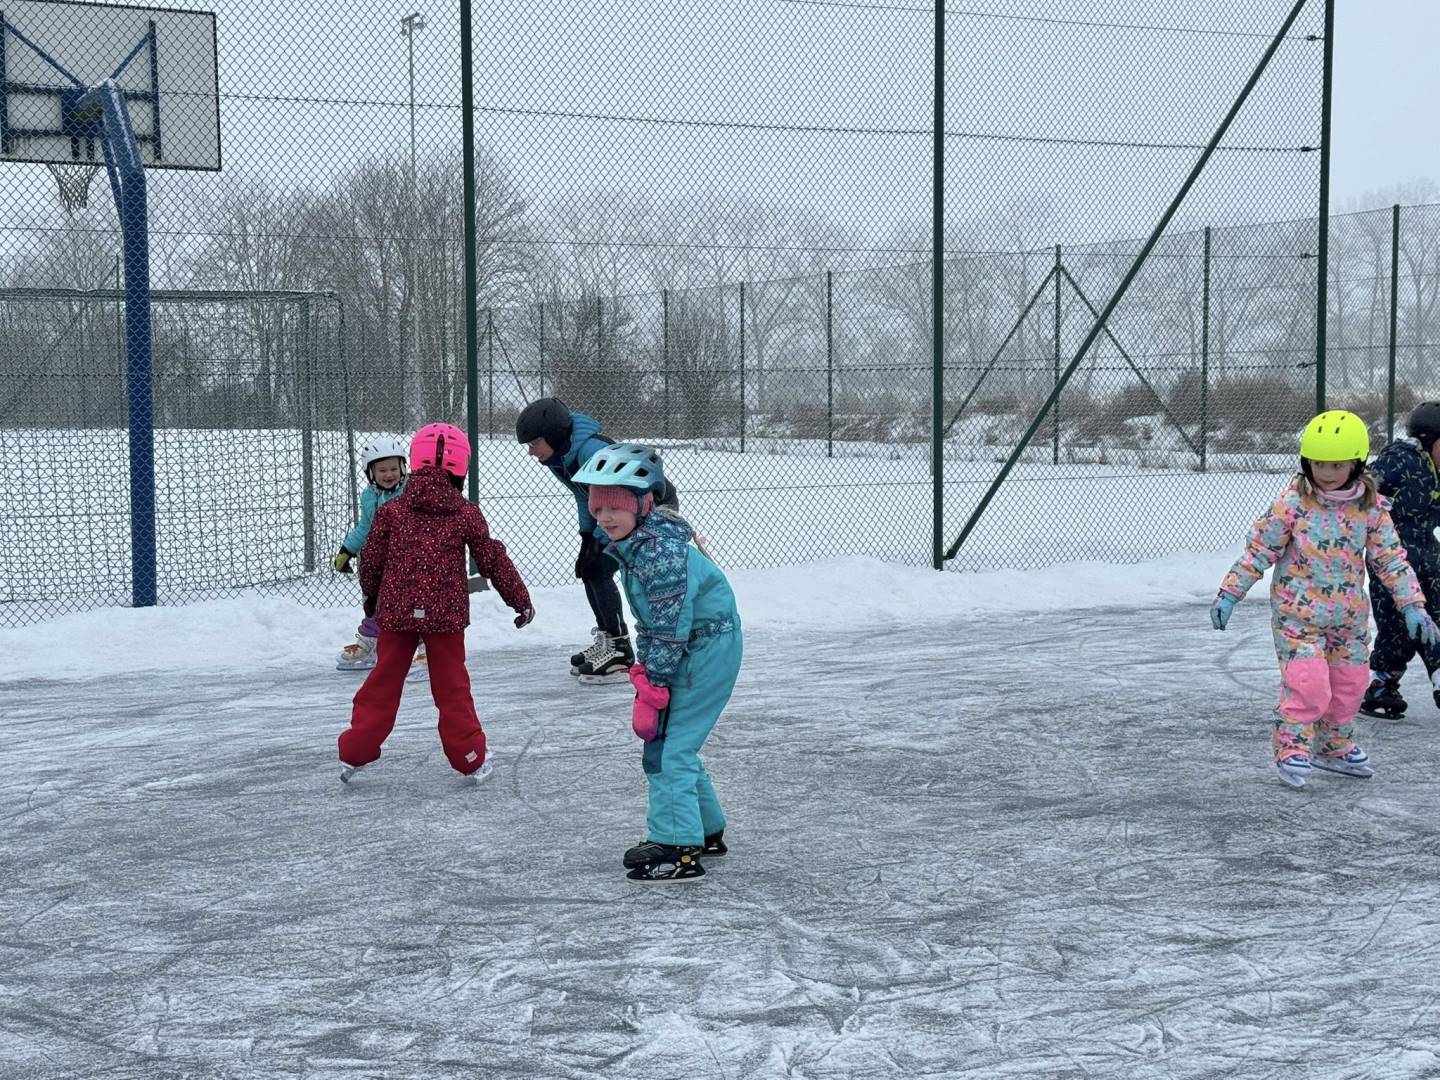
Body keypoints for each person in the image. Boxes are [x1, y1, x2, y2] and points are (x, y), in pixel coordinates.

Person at [1209, 410, 1439, 789]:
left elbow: (1391, 560)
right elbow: (1259, 551)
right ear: (1306, 463)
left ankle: (1333, 746)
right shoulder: (1293, 504)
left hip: (1348, 619)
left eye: (1336, 464)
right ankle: (1291, 748)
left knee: (1351, 685)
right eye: (1318, 464)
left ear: (1356, 464)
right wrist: (1230, 593)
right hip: (1297, 618)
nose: (1327, 473)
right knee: (1308, 685)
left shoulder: (1370, 509)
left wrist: (1413, 605)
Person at [573, 443, 741, 882]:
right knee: (672, 740)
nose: (605, 517)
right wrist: (649, 671)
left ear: (643, 505)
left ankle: (677, 845)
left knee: (669, 749)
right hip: (695, 645)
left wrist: (654, 682)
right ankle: (704, 828)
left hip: (705, 649)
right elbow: (654, 625)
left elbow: (668, 627)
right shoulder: (638, 546)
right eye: (598, 507)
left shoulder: (660, 554)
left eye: (616, 507)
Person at [337, 422, 534, 784]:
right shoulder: (465, 513)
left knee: (383, 682)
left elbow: (372, 561)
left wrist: (373, 601)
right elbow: (492, 559)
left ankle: (356, 750)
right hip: (445, 617)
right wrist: (519, 600)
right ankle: (469, 756)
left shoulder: (393, 510)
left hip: (397, 613)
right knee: (452, 687)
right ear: (461, 468)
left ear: (414, 462)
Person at [516, 397, 677, 682]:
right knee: (588, 568)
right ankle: (609, 638)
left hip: (646, 507)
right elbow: (587, 498)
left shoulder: (591, 451)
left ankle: (620, 650)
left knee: (599, 569)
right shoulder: (559, 459)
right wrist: (587, 538)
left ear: (553, 435)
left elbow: (616, 501)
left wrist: (600, 542)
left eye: (534, 443)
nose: (530, 451)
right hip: (616, 511)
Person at [1361, 401, 1440, 718]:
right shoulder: (1401, 459)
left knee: (1435, 617)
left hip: (1429, 558)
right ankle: (1382, 685)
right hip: (1389, 560)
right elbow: (1363, 487)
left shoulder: (1437, 471)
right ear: (1428, 440)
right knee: (1396, 628)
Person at [334, 435, 409, 671]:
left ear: (403, 468)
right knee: (375, 603)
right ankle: (372, 643)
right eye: (382, 470)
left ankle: (422, 647)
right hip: (379, 563)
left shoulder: (410, 492)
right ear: (371, 473)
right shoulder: (369, 497)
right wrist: (347, 550)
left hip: (408, 561)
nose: (389, 475)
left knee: (409, 606)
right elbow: (365, 527)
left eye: (394, 469)